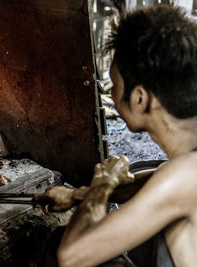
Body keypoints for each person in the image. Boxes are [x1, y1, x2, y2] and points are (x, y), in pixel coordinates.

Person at [35, 5, 197, 267]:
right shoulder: (185, 164)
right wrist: (78, 195)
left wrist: (102, 182)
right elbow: (152, 182)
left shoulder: (185, 176)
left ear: (140, 98)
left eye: (114, 85)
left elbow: (71, 257)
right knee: (142, 168)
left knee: (58, 247)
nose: (110, 95)